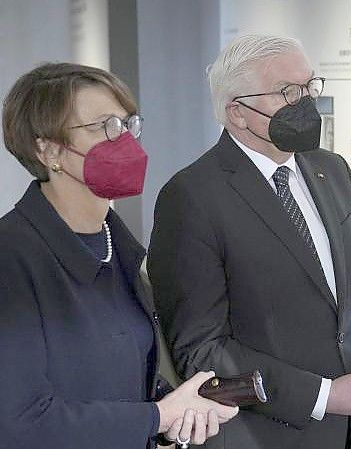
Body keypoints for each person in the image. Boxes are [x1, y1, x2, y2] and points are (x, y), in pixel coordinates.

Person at [147, 35, 351, 449]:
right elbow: (201, 350)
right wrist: (324, 396)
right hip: (263, 435)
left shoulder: (332, 170)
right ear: (238, 113)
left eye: (310, 87)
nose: (306, 103)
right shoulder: (191, 196)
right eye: (288, 92)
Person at [0, 63, 238, 449]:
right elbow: (20, 420)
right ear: (47, 149)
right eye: (103, 126)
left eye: (127, 124)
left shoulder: (120, 248)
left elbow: (119, 375)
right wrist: (158, 415)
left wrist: (174, 411)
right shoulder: (11, 257)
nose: (124, 139)